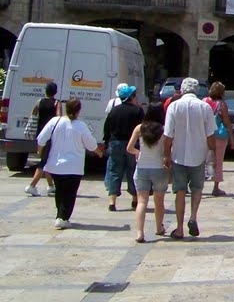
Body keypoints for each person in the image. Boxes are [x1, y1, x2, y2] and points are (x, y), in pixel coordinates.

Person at [163, 77, 216, 239]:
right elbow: (210, 135)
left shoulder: (174, 106)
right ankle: (193, 217)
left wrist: (166, 155)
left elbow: (168, 135)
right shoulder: (204, 107)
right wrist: (213, 153)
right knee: (197, 188)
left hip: (178, 154)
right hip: (199, 154)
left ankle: (179, 228)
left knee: (180, 190)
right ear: (197, 90)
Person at [36, 98, 97, 229]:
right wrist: (98, 151)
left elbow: (41, 139)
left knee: (60, 191)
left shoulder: (55, 121)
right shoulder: (81, 126)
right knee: (70, 193)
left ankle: (60, 215)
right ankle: (63, 217)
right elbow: (91, 145)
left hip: (56, 165)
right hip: (74, 166)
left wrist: (40, 151)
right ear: (78, 111)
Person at [127, 104, 168, 243]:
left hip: (142, 168)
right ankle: (158, 227)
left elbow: (129, 148)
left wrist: (138, 152)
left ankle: (139, 233)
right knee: (159, 201)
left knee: (142, 202)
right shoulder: (164, 130)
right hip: (159, 168)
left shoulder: (139, 128)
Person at [103, 84, 144, 212]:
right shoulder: (138, 111)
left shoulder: (114, 110)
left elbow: (106, 128)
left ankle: (112, 201)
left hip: (115, 144)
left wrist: (106, 143)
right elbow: (142, 129)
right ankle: (135, 199)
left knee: (115, 171)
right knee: (132, 171)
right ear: (131, 97)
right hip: (132, 145)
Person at [24, 81, 61, 197]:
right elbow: (59, 119)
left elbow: (34, 115)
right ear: (55, 92)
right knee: (44, 162)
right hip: (51, 136)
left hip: (40, 135)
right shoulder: (56, 103)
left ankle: (51, 186)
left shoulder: (39, 102)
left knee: (47, 159)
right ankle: (32, 186)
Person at [203, 82, 234, 197]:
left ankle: (197, 184)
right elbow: (227, 122)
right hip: (219, 136)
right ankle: (215, 187)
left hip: (205, 134)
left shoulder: (204, 101)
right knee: (218, 161)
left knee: (202, 159)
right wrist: (232, 138)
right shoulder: (221, 105)